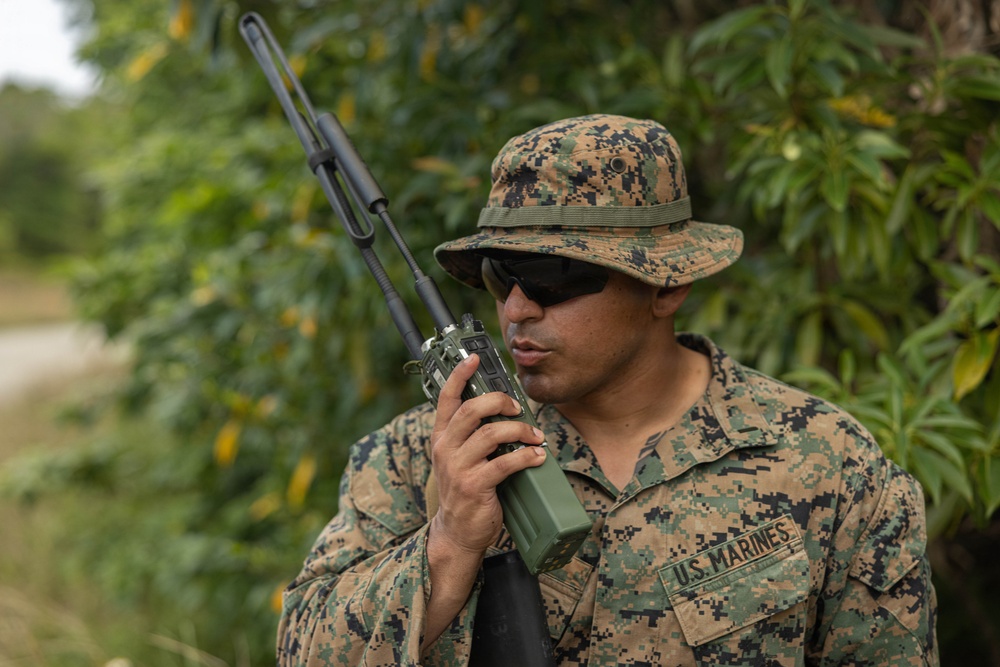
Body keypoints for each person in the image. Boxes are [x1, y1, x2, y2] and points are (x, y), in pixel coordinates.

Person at [276, 114, 939, 666]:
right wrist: (447, 544)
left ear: (666, 284)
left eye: (553, 277)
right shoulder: (424, 457)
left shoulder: (828, 464)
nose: (517, 309)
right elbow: (301, 650)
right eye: (500, 274)